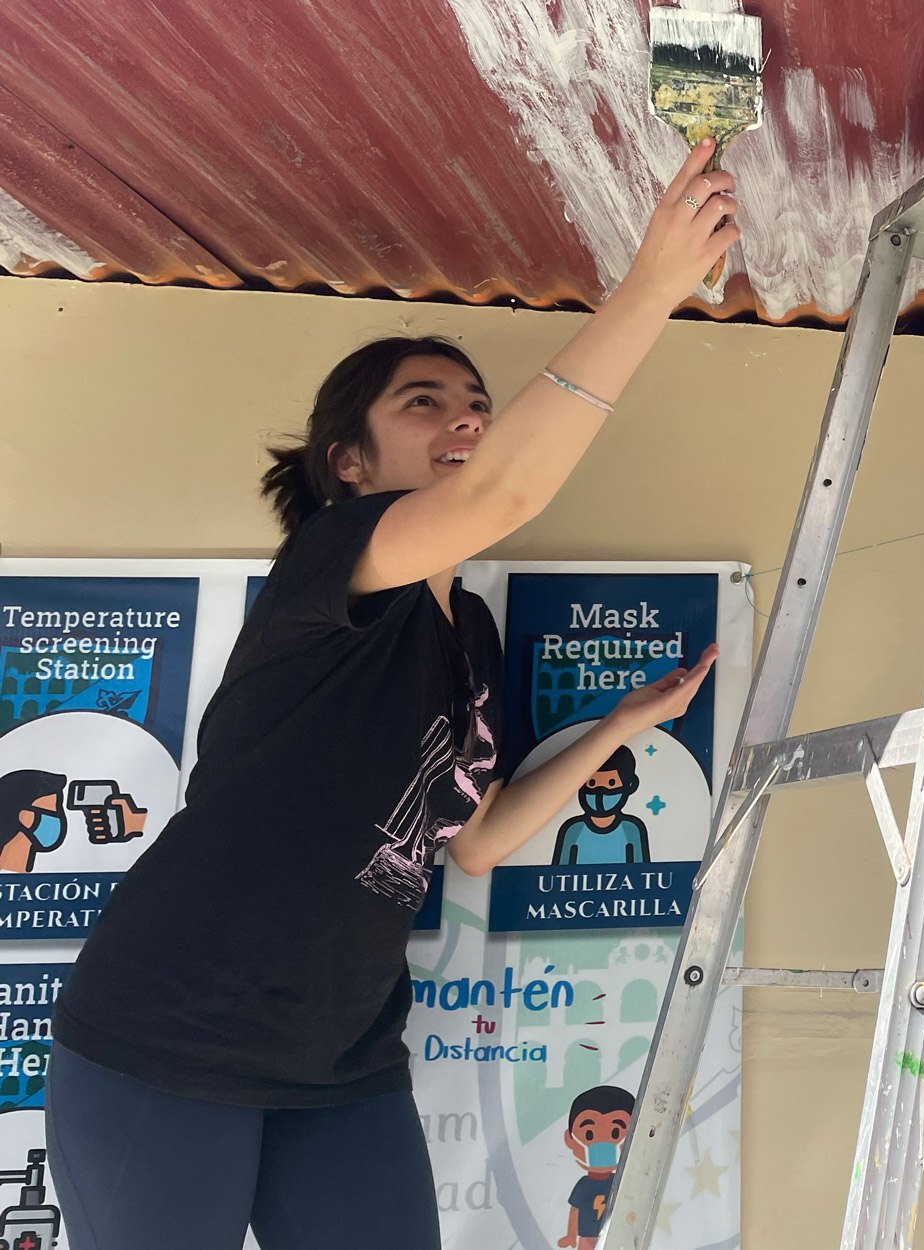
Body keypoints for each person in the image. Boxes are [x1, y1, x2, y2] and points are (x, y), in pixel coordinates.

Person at [44, 139, 736, 1250]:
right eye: (425, 403)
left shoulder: (465, 631)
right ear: (348, 465)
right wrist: (651, 287)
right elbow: (508, 485)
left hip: (343, 1059)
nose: (466, 416)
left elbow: (473, 839)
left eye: (476, 399)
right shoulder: (329, 562)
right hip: (164, 1040)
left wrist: (615, 727)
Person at [558, 1084, 635, 1250]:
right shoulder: (584, 1185)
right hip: (587, 1235)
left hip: (615, 1235)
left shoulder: (620, 1181)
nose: (602, 1145)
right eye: (589, 1134)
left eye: (615, 1133)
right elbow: (575, 1210)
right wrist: (571, 1235)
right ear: (569, 1140)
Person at [552, 745, 652, 865]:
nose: (600, 791)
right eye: (592, 783)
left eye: (611, 783)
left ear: (630, 785)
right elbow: (558, 871)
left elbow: (641, 871)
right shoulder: (573, 829)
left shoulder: (631, 828)